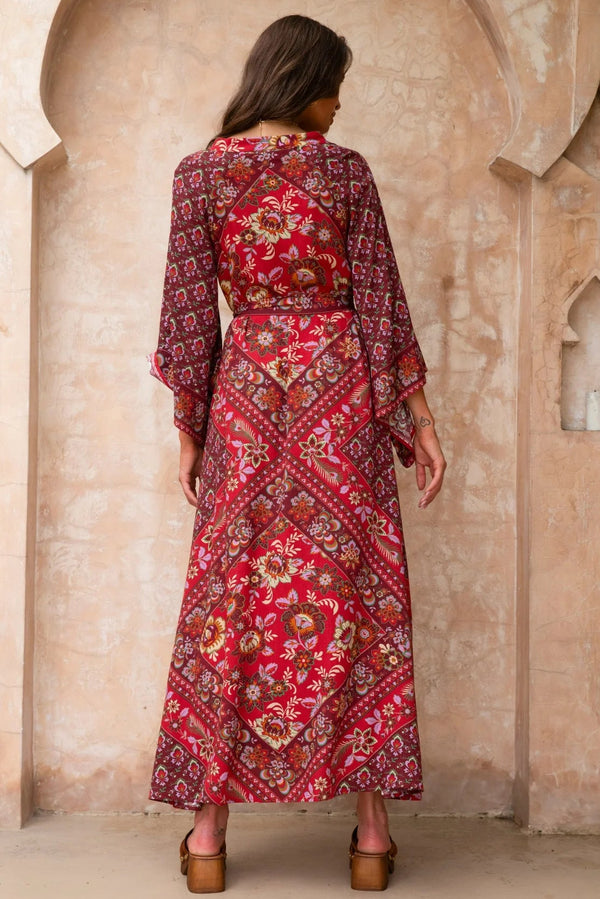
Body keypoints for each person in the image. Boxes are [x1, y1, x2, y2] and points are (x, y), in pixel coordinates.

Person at [148, 14, 446, 893]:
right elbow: (382, 302)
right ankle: (371, 837)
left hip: (247, 402)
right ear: (303, 79)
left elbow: (189, 314)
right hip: (341, 400)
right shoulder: (343, 172)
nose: (339, 104)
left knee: (230, 592)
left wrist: (192, 429)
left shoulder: (200, 174)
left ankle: (207, 838)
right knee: (357, 592)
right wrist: (420, 418)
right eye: (333, 85)